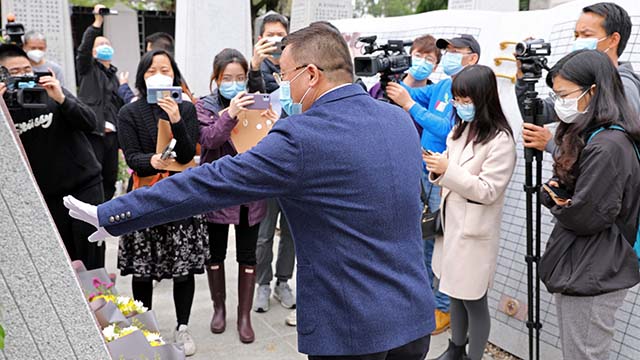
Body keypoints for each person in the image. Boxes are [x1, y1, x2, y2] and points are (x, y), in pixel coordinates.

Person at [65, 25, 436, 359]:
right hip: (413, 318)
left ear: (311, 75)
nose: (283, 87)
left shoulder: (302, 136)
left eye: (285, 75)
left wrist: (111, 214)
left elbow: (209, 182)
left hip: (350, 329)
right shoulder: (398, 119)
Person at [537, 49, 640, 360]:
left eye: (564, 94)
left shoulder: (607, 145)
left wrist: (556, 200)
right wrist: (564, 193)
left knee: (584, 354)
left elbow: (586, 216)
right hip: (593, 263)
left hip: (594, 269)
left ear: (593, 91)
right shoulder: (599, 136)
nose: (559, 104)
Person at [114, 49, 208, 356]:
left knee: (183, 268)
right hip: (144, 195)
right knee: (143, 270)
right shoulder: (129, 113)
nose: (159, 74)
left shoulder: (187, 109)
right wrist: (153, 160)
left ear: (174, 75)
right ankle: (146, 329)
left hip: (181, 196)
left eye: (165, 69)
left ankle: (182, 327)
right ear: (143, 76)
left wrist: (177, 118)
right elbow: (132, 158)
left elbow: (185, 155)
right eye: (152, 70)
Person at [386, 34, 480, 336]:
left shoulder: (470, 91)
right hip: (424, 170)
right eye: (447, 51)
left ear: (472, 58)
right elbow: (409, 92)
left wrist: (410, 105)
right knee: (422, 237)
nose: (449, 56)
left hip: (444, 175)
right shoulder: (442, 85)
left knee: (438, 241)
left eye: (456, 51)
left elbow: (448, 127)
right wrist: (408, 71)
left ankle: (441, 307)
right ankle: (424, 302)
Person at [424, 65, 516, 360]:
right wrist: (438, 168)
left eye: (466, 100)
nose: (460, 106)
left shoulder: (500, 140)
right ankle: (455, 349)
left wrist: (447, 170)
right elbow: (450, 170)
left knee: (474, 300)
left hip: (474, 233)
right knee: (453, 293)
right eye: (457, 100)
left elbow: (488, 190)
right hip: (451, 226)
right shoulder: (459, 130)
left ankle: (473, 356)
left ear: (483, 97)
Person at [0, 44, 104, 269]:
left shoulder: (50, 91)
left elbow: (91, 123)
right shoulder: (3, 108)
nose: (23, 76)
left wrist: (62, 99)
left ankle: (102, 301)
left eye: (27, 69)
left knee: (93, 262)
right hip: (46, 198)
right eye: (14, 73)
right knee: (62, 265)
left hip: (84, 186)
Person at [196, 47, 271, 343]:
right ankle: (219, 309)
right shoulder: (205, 105)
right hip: (217, 189)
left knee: (247, 255)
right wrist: (230, 114)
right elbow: (209, 139)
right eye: (228, 77)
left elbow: (265, 139)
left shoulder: (255, 103)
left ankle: (244, 316)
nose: (235, 83)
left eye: (240, 77)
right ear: (216, 78)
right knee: (214, 253)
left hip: (250, 190)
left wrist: (267, 120)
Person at [519, 2, 640, 153]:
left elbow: (608, 153)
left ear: (613, 39)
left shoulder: (624, 88)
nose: (578, 41)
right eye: (576, 35)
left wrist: (552, 145)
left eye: (586, 35)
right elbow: (538, 113)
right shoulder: (584, 81)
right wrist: (523, 76)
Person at [251, 12, 298, 315]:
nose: (275, 41)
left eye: (280, 35)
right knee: (264, 232)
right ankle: (263, 283)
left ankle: (283, 281)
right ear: (259, 38)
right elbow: (250, 102)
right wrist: (254, 67)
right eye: (269, 35)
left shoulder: (298, 68)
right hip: (268, 164)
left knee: (292, 231)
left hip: (296, 164)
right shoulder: (253, 69)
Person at [76, 4, 125, 202]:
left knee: (110, 176)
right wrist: (97, 23)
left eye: (107, 43)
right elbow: (84, 49)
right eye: (100, 44)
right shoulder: (87, 69)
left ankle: (102, 212)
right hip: (93, 131)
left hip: (112, 136)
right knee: (92, 175)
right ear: (93, 52)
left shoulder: (115, 75)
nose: (105, 46)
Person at [369, 34, 442, 137]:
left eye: (429, 59)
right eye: (418, 55)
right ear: (408, 57)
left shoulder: (435, 97)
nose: (422, 62)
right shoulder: (385, 86)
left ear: (435, 67)